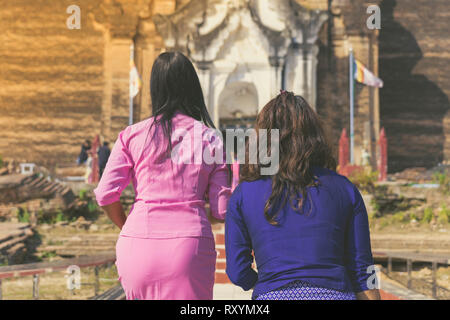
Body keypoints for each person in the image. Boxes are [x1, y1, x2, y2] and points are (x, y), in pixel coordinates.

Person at [93, 51, 231, 300]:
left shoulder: (132, 135)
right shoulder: (210, 138)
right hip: (189, 247)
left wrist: (129, 226)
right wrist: (195, 217)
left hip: (136, 244)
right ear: (192, 87)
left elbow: (105, 195)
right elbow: (222, 210)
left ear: (155, 88)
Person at [225, 91, 381, 300]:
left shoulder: (243, 194)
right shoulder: (345, 189)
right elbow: (364, 270)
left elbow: (237, 271)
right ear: (314, 136)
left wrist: (266, 285)